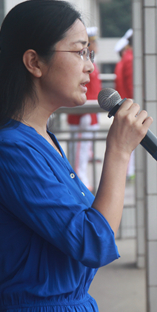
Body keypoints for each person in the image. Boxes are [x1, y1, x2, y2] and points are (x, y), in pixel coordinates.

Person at [0, 0, 152, 312]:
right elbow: (93, 242)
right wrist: (118, 151)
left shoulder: (43, 139)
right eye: (79, 53)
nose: (90, 67)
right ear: (34, 62)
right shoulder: (7, 148)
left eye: (90, 53)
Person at [67, 26, 102, 190]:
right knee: (79, 148)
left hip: (88, 112)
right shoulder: (82, 63)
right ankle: (78, 179)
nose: (95, 46)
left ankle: (80, 177)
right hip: (83, 113)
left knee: (82, 148)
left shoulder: (88, 61)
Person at [114, 28, 135, 180]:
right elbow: (131, 86)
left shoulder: (125, 59)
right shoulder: (129, 59)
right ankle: (129, 172)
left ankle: (129, 172)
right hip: (130, 107)